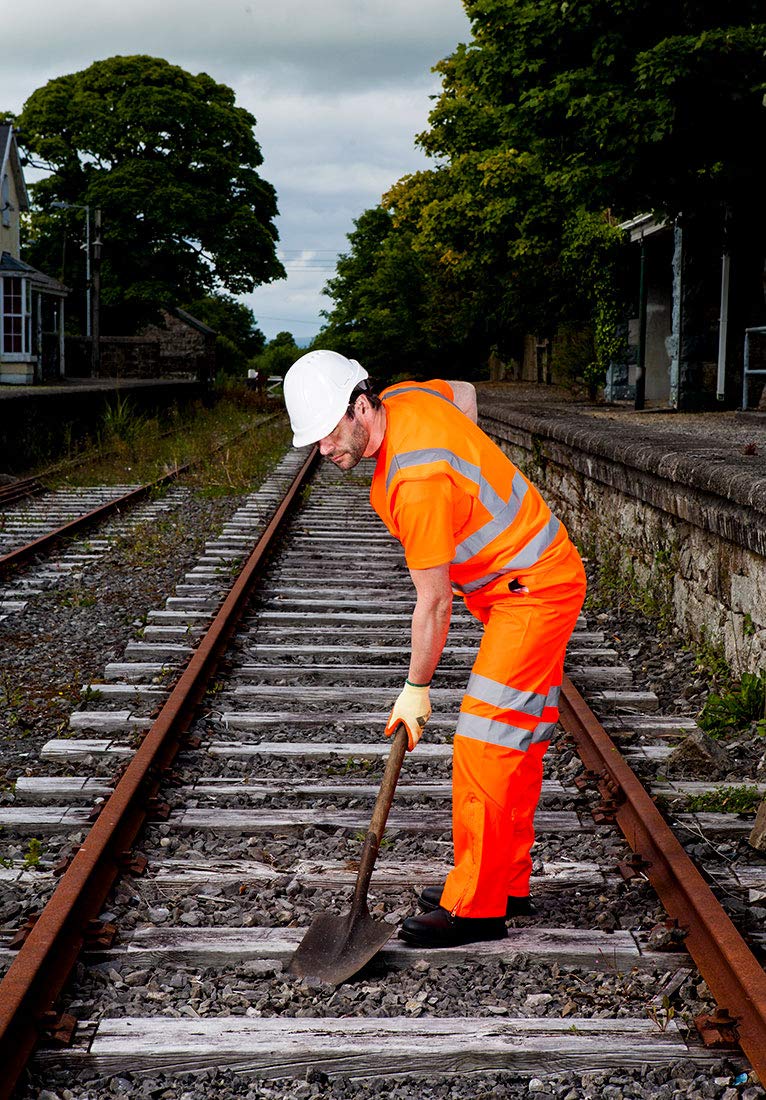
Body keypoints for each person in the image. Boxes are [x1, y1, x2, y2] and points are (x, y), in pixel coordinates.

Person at [283, 349, 587, 948]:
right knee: (518, 739)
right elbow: (465, 391)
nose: (323, 450)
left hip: (531, 590)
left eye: (328, 433)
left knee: (484, 740)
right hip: (531, 579)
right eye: (313, 440)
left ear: (360, 407)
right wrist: (466, 466)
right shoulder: (408, 397)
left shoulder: (416, 482)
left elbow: (435, 603)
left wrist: (415, 689)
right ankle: (506, 882)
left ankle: (477, 907)